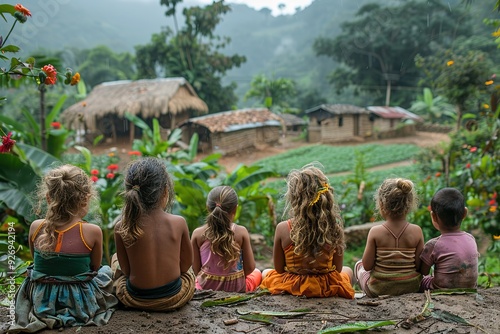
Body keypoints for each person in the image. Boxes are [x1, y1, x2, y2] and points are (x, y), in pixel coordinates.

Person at [10, 165, 118, 333]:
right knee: (106, 271)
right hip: (79, 300)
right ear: (85, 199)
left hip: (41, 299)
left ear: (48, 198)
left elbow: (36, 263)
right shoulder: (92, 231)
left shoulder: (36, 227)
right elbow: (94, 269)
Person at [260, 164, 354, 298]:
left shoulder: (283, 228)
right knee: (348, 270)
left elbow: (279, 269)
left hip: (293, 284)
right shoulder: (334, 227)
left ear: (294, 199)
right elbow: (338, 269)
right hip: (324, 284)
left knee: (265, 273)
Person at [112, 157, 195, 311]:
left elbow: (126, 271)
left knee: (115, 260)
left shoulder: (121, 227)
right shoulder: (178, 223)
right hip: (174, 297)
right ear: (165, 191)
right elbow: (185, 267)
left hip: (135, 298)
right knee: (189, 274)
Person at [355, 178, 424, 298]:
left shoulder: (375, 232)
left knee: (358, 265)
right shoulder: (417, 231)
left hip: (378, 290)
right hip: (411, 287)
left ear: (381, 204)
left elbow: (367, 266)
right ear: (409, 205)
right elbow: (419, 266)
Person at [191, 186, 262, 292]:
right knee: (257, 273)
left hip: (206, 287)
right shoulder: (241, 232)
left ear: (208, 207)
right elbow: (250, 267)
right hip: (237, 288)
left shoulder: (197, 234)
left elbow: (196, 269)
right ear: (235, 208)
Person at [420, 188, 479, 291]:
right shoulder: (471, 239)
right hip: (470, 288)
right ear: (465, 213)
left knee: (423, 280)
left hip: (441, 288)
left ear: (433, 216)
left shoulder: (433, 245)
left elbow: (423, 271)